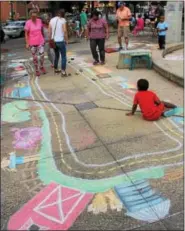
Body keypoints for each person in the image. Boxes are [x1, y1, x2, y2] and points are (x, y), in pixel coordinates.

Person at [25, 9, 46, 77]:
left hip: (40, 41)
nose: (34, 17)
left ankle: (41, 66)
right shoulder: (28, 23)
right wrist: (27, 43)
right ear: (30, 16)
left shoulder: (39, 21)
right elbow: (26, 34)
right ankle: (37, 70)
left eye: (35, 16)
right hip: (32, 43)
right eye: (33, 16)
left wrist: (44, 38)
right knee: (35, 58)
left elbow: (42, 30)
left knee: (42, 56)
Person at [49, 9, 68, 77]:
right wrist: (66, 40)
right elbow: (65, 31)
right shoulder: (63, 20)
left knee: (56, 55)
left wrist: (50, 40)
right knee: (63, 56)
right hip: (60, 40)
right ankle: (63, 71)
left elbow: (50, 31)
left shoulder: (51, 20)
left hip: (54, 41)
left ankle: (56, 69)